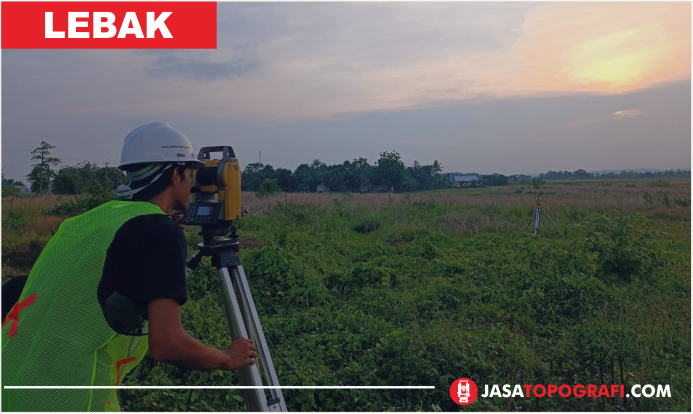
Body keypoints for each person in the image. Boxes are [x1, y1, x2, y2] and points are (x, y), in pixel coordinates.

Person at [1, 122, 258, 412]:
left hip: (14, 380)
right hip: (68, 397)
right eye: (191, 173)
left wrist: (160, 225)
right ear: (176, 174)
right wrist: (226, 357)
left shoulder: (90, 219)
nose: (193, 182)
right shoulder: (158, 231)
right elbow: (168, 344)